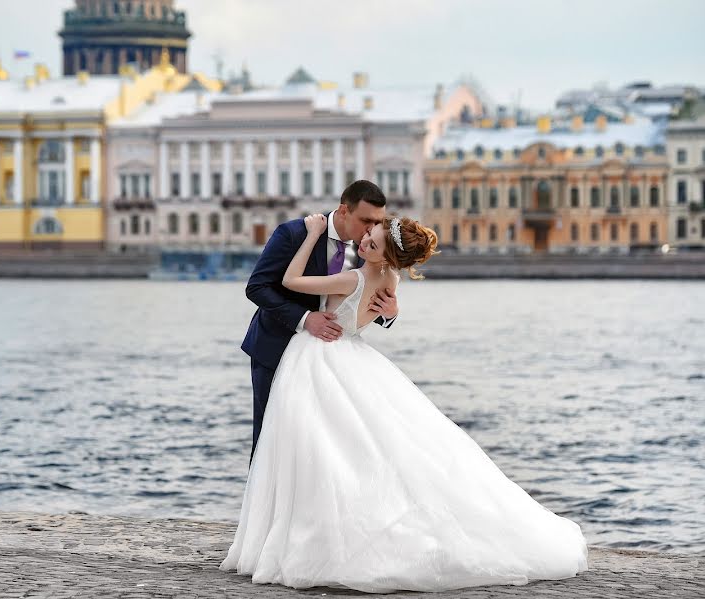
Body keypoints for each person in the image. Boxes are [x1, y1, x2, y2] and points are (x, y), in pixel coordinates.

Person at [221, 214, 589, 593]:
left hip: (317, 356)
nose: (364, 242)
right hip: (352, 356)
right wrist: (390, 310)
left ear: (385, 257)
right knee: (347, 448)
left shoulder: (355, 276)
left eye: (373, 244)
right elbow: (379, 307)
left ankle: (312, 536)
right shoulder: (390, 278)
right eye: (369, 235)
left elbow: (289, 281)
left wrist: (313, 233)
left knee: (314, 448)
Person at [241, 180, 398, 462]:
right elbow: (257, 287)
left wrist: (389, 314)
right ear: (343, 210)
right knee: (271, 440)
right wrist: (305, 318)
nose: (371, 229)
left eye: (377, 222)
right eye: (365, 220)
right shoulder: (293, 233)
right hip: (276, 348)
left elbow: (357, 304)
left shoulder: (369, 250)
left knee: (326, 444)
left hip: (331, 362)